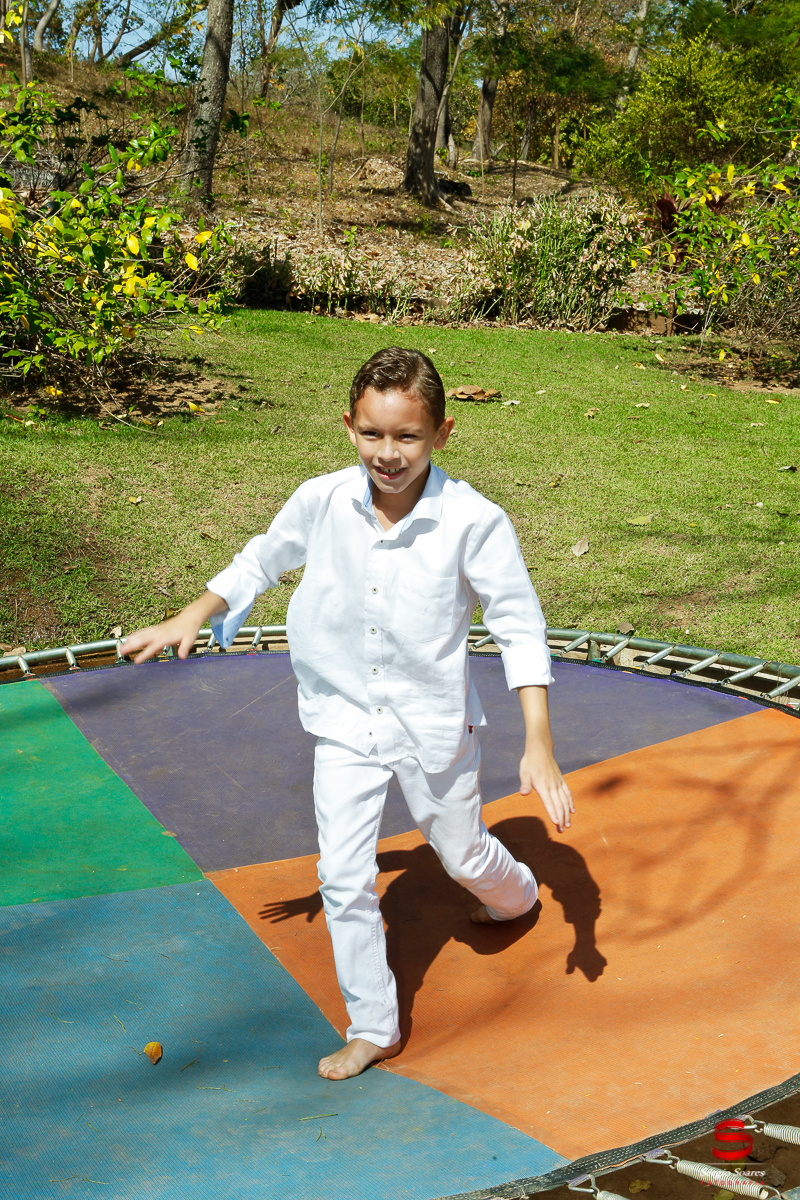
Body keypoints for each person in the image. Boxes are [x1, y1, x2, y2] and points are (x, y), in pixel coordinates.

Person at [121, 346, 575, 1082]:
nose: (388, 454)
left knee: (461, 854)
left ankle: (514, 891)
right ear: (348, 426)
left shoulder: (475, 522)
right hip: (342, 719)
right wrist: (192, 613)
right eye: (372, 434)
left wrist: (539, 743)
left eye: (407, 437)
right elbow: (261, 559)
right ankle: (374, 1025)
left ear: (443, 434)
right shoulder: (322, 499)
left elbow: (520, 626)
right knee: (342, 876)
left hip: (432, 727)